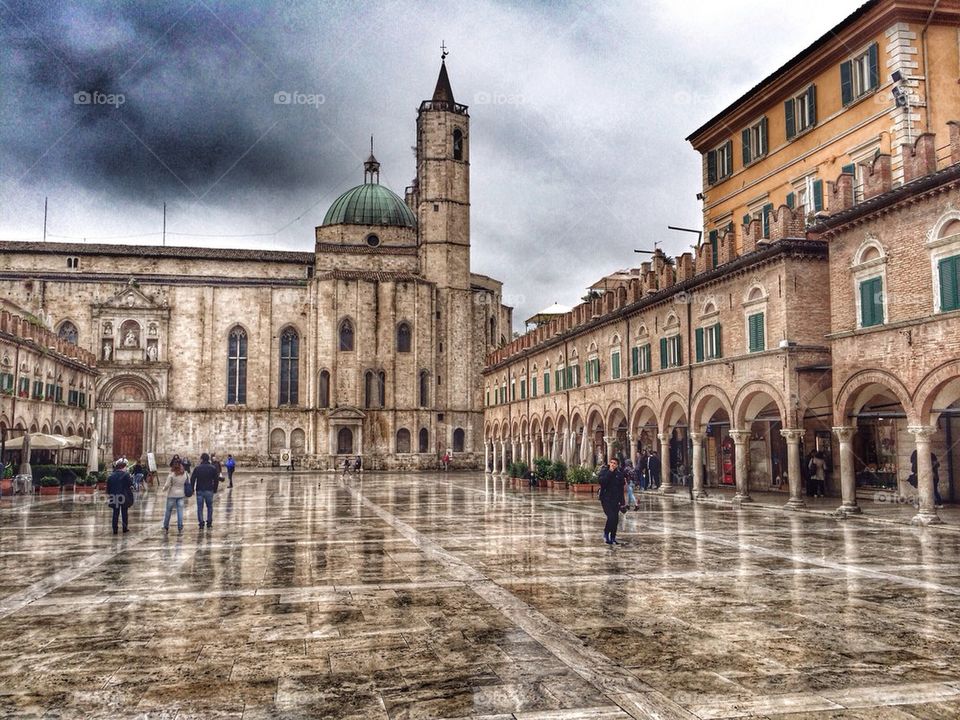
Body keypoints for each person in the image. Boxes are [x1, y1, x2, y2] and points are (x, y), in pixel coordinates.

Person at [598, 457, 627, 545]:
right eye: (611, 462)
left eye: (614, 463)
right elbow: (602, 482)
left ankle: (613, 537)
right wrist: (610, 472)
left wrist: (622, 503)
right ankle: (606, 534)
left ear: (617, 465)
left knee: (616, 519)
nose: (612, 464)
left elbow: (621, 489)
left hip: (616, 499)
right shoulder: (604, 471)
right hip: (606, 499)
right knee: (611, 517)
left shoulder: (619, 474)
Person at [190, 453, 219, 530]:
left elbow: (192, 479)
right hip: (209, 489)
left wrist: (192, 489)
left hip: (199, 489)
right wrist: (215, 489)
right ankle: (209, 522)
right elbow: (216, 480)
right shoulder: (212, 468)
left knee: (200, 507)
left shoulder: (197, 468)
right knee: (209, 507)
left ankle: (201, 523)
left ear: (202, 459)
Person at [106, 458, 134, 535]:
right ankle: (124, 528)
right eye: (125, 467)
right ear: (122, 467)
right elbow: (131, 485)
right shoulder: (126, 475)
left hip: (114, 496)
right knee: (124, 513)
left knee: (115, 513)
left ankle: (115, 529)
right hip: (124, 497)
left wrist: (110, 495)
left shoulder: (111, 476)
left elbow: (108, 488)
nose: (126, 469)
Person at [162, 460, 188, 534]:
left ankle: (166, 526)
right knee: (180, 511)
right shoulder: (185, 474)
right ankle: (180, 526)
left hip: (171, 495)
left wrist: (163, 489)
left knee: (168, 511)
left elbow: (167, 485)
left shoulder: (172, 474)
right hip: (181, 494)